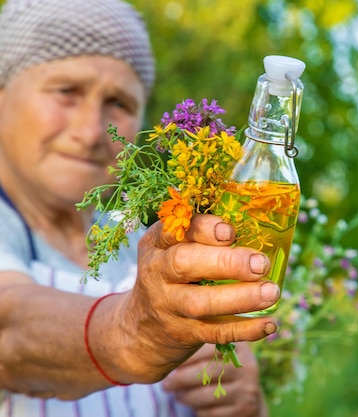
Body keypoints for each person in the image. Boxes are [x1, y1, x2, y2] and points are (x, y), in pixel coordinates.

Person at [0, 0, 277, 416]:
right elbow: (11, 329)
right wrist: (132, 333)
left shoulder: (141, 237)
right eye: (66, 92)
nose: (92, 131)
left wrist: (243, 402)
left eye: (119, 104)